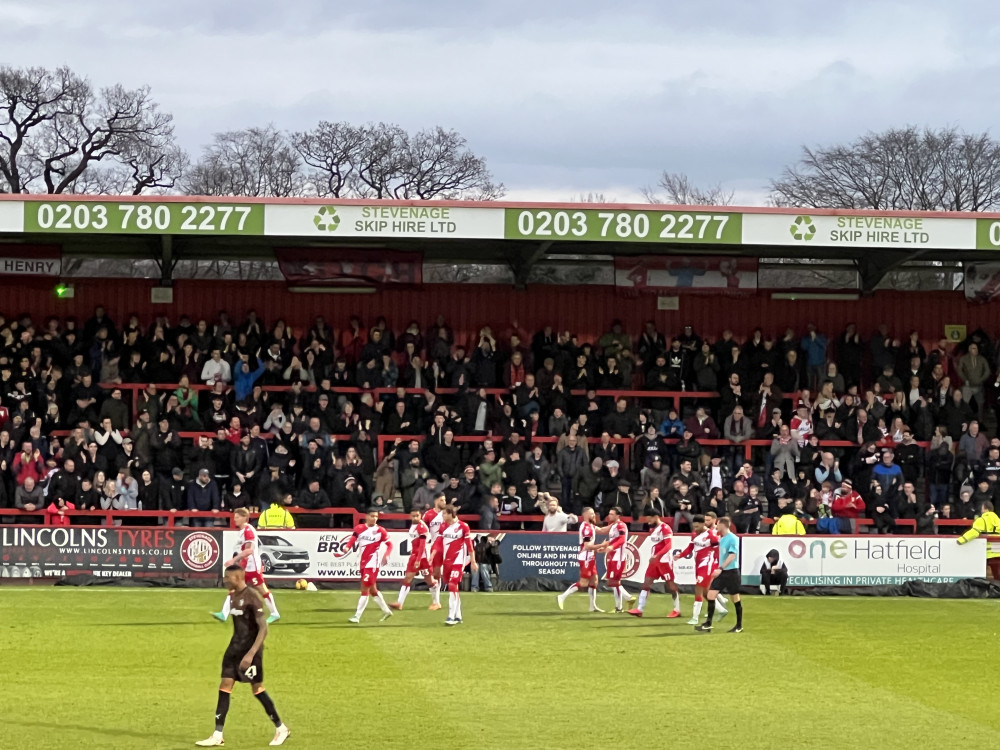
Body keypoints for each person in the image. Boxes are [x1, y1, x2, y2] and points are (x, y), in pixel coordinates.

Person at [195, 565, 290, 747]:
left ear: (237, 577)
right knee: (225, 686)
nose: (224, 581)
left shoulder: (252, 597)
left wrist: (251, 654)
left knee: (257, 689)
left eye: (227, 578)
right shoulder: (233, 596)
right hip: (234, 648)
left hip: (250, 652)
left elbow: (264, 628)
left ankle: (281, 728)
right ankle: (217, 734)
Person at [213, 508, 280, 624]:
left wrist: (233, 560)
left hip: (251, 566)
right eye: (234, 517)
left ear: (245, 517)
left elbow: (249, 551)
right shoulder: (243, 531)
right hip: (245, 566)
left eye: (237, 517)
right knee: (235, 587)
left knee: (261, 589)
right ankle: (224, 613)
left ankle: (275, 613)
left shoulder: (248, 530)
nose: (235, 520)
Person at [674, 514, 727, 625]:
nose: (695, 529)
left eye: (698, 527)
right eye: (694, 527)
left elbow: (718, 549)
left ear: (703, 524)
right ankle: (721, 610)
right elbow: (690, 548)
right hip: (698, 564)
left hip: (707, 564)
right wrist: (680, 555)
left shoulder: (711, 535)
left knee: (698, 588)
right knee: (705, 592)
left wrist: (718, 565)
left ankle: (695, 617)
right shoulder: (694, 535)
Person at [627, 507, 681, 618]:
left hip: (664, 561)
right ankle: (639, 609)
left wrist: (657, 555)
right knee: (646, 583)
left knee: (670, 585)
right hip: (655, 561)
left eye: (649, 519)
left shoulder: (665, 528)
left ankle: (677, 609)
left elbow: (668, 545)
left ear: (656, 517)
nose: (648, 521)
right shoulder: (653, 529)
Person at [343, 508, 394, 623]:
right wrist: (347, 547)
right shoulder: (359, 528)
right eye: (372, 516)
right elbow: (352, 539)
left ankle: (357, 616)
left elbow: (390, 545)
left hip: (372, 563)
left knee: (364, 588)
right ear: (366, 516)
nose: (374, 518)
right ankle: (386, 611)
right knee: (373, 590)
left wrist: (386, 555)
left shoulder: (381, 531)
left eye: (376, 516)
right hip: (363, 562)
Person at [696, 516, 743, 633]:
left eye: (718, 524)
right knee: (711, 595)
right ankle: (708, 623)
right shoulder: (722, 539)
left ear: (723, 525)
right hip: (722, 572)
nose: (716, 526)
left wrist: (721, 568)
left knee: (735, 598)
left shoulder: (733, 538)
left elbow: (732, 556)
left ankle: (739, 625)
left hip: (731, 572)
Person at [556, 506, 604, 612]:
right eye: (591, 513)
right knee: (583, 583)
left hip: (590, 557)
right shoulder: (586, 528)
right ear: (585, 515)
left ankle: (592, 606)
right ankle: (562, 596)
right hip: (586, 557)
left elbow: (601, 529)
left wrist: (616, 524)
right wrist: (601, 545)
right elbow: (587, 546)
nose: (593, 515)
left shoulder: (591, 525)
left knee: (594, 581)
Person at [390, 508, 438, 611]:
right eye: (413, 516)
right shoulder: (413, 525)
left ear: (420, 516)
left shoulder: (422, 527)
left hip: (423, 558)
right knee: (407, 578)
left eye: (417, 515)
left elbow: (422, 545)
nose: (415, 517)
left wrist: (418, 559)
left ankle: (436, 602)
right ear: (410, 516)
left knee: (429, 580)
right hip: (415, 556)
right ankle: (399, 603)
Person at [440, 504, 478, 625]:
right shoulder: (443, 526)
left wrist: (473, 561)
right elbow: (438, 543)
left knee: (452, 584)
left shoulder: (463, 526)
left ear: (451, 514)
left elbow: (469, 546)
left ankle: (451, 616)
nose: (443, 516)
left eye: (444, 514)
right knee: (453, 587)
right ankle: (458, 615)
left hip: (458, 560)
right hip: (447, 561)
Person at [595, 507, 636, 613]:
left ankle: (624, 602)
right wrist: (604, 548)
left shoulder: (621, 525)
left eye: (612, 514)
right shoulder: (613, 526)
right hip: (613, 556)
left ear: (618, 515)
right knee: (612, 582)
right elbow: (612, 540)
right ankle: (623, 603)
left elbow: (622, 539)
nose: (610, 516)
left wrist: (611, 547)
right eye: (609, 513)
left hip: (619, 557)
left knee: (614, 582)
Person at [957, 500, 1000, 579]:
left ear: (985, 509)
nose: (981, 510)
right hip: (998, 550)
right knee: (996, 571)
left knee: (980, 569)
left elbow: (974, 532)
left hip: (987, 551)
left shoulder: (981, 520)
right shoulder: (998, 520)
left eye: (982, 508)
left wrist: (962, 540)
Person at [422, 493, 447, 611]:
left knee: (443, 573)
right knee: (433, 573)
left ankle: (441, 601)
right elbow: (422, 530)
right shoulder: (428, 514)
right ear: (436, 501)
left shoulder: (447, 513)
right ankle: (436, 601)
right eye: (442, 500)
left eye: (445, 500)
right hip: (434, 546)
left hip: (447, 545)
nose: (444, 502)